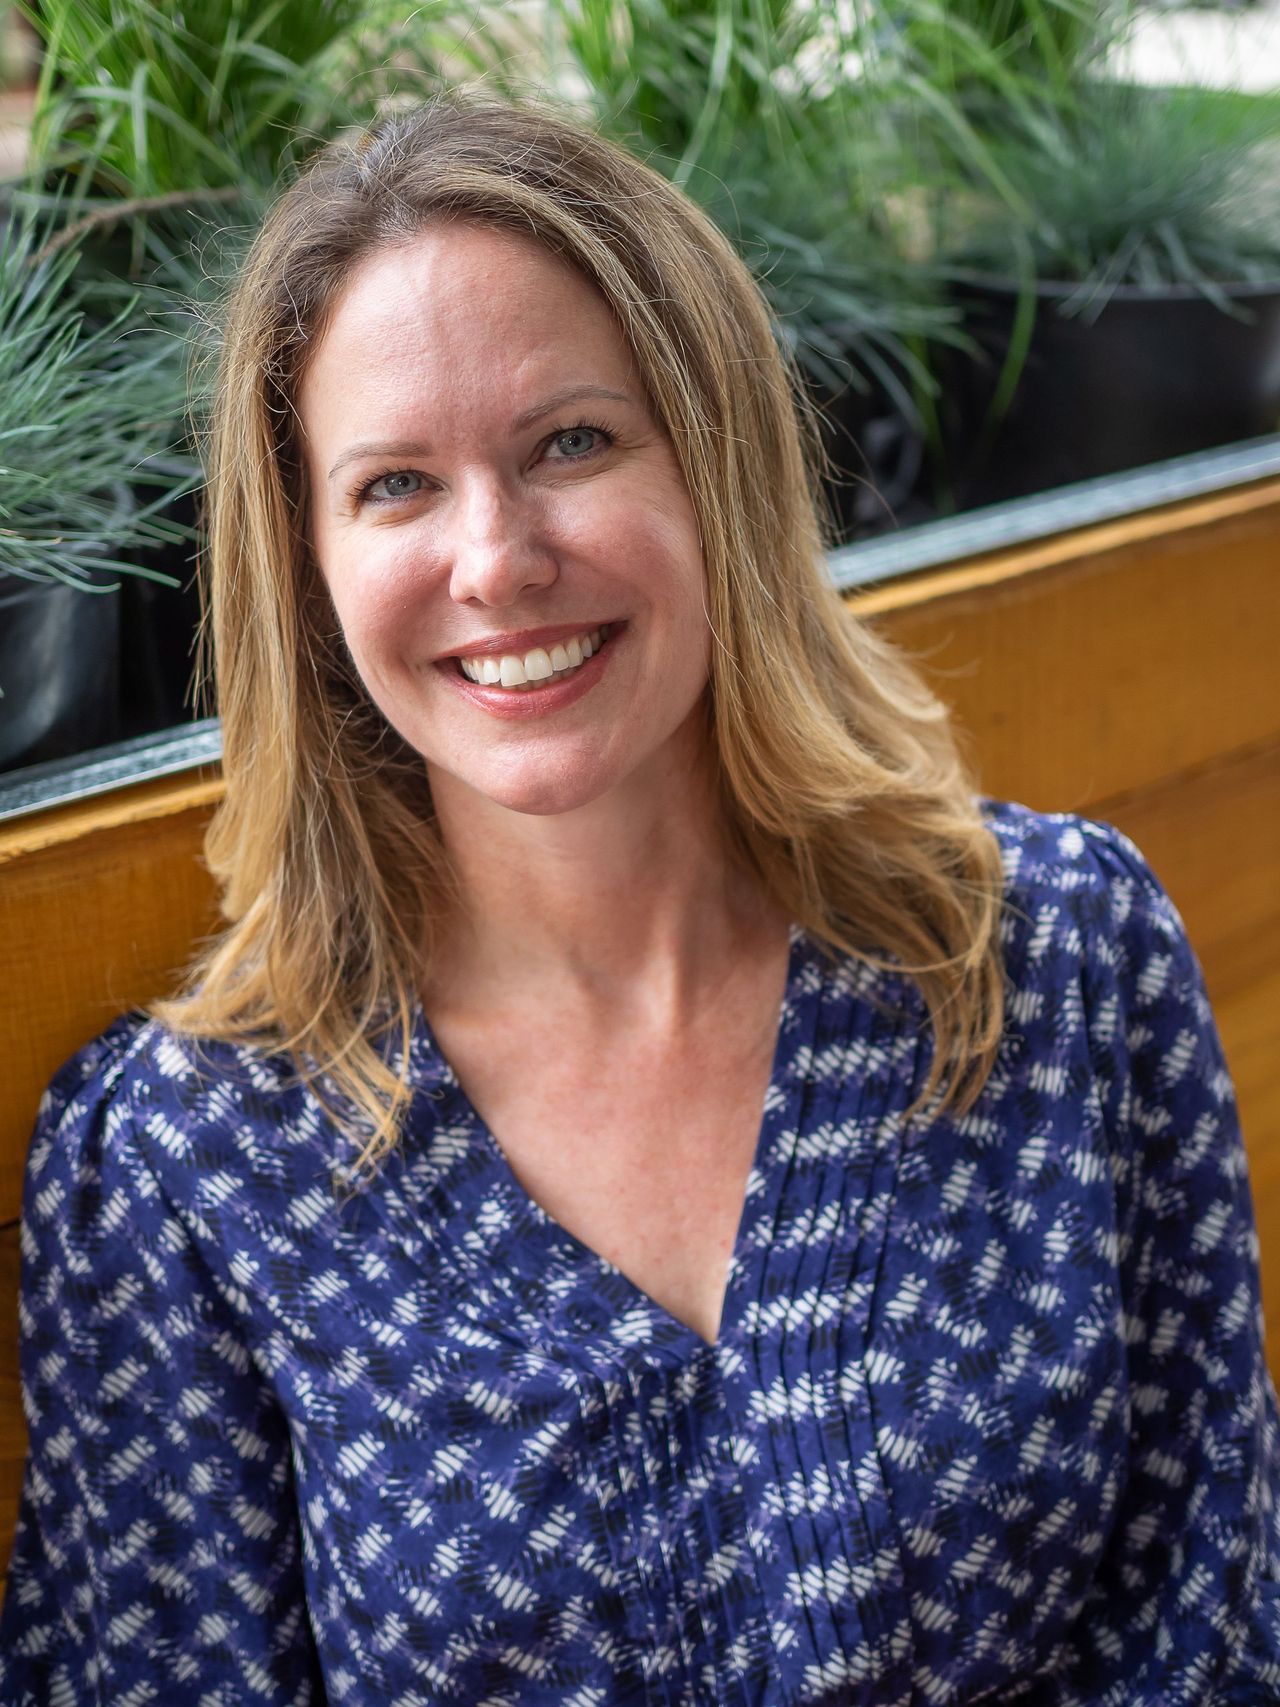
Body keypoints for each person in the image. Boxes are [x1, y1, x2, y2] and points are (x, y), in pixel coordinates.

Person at [1, 92, 1277, 1707]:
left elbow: (1216, 1621)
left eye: (573, 443)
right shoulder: (190, 1167)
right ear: (307, 568)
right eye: (395, 485)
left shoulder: (1063, 957)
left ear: (718, 465)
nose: (497, 558)